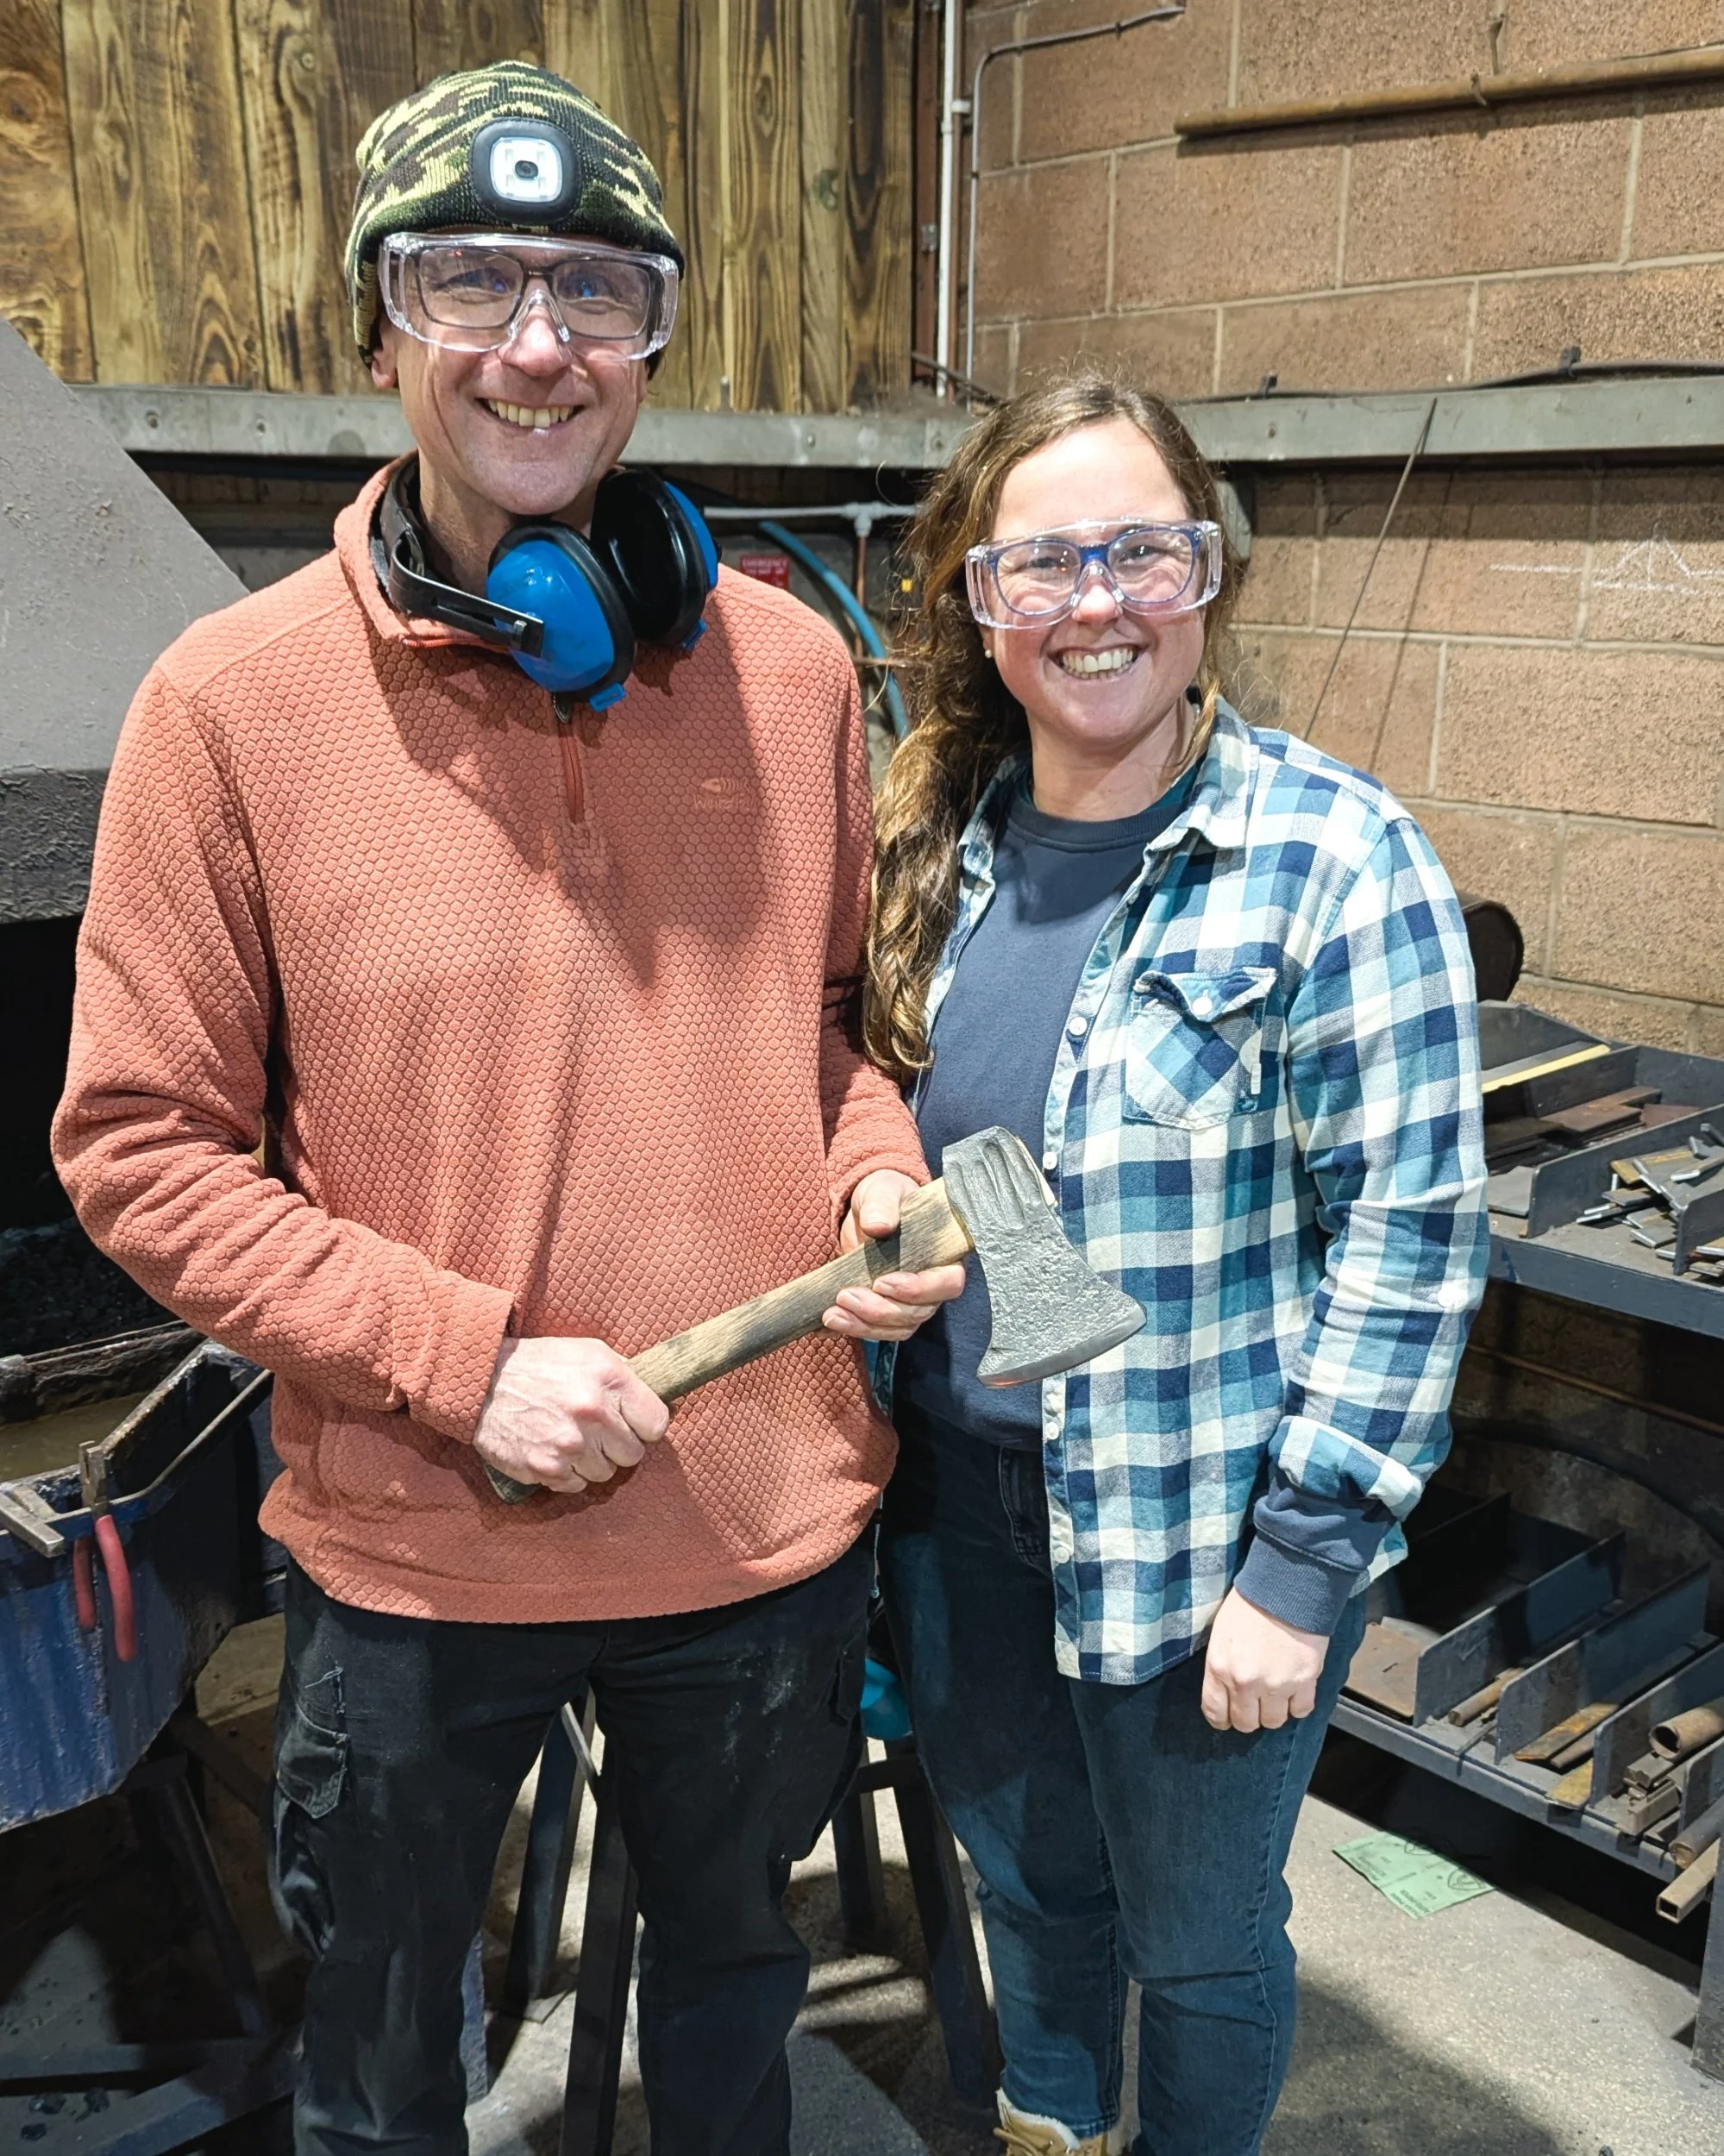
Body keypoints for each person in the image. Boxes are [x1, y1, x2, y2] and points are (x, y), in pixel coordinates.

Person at [53, 61, 961, 2156]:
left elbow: (828, 1027)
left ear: (651, 340)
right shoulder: (228, 703)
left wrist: (879, 1171)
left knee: (734, 2031)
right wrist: (466, 1361)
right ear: (375, 329)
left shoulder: (793, 673)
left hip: (756, 1533)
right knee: (383, 2079)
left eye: (597, 286)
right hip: (415, 1558)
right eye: (470, 276)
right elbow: (134, 1149)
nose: (537, 338)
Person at [864, 376, 1489, 2156]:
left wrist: (1302, 1565)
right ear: (984, 603)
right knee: (1033, 1899)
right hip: (957, 1506)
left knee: (1199, 1943)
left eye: (1143, 549)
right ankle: (1053, 2128)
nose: (1096, 601)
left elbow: (1415, 1236)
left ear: (1208, 574)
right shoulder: (937, 846)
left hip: (1201, 1524)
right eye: (1043, 561)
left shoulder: (1335, 860)